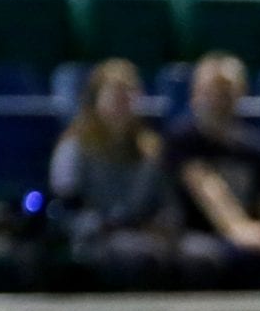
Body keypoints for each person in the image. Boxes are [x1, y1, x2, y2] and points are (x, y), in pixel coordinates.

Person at [49, 59, 183, 290]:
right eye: (115, 95)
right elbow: (66, 206)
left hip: (146, 234)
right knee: (139, 256)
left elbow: (168, 204)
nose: (123, 102)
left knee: (198, 256)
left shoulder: (151, 149)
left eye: (129, 94)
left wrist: (163, 227)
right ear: (96, 99)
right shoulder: (73, 147)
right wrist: (105, 226)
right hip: (94, 239)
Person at [163, 53, 260, 289]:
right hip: (191, 234)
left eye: (227, 91)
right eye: (212, 91)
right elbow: (204, 185)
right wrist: (238, 228)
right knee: (203, 257)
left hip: (246, 235)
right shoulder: (182, 141)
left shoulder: (258, 149)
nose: (219, 100)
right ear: (195, 94)